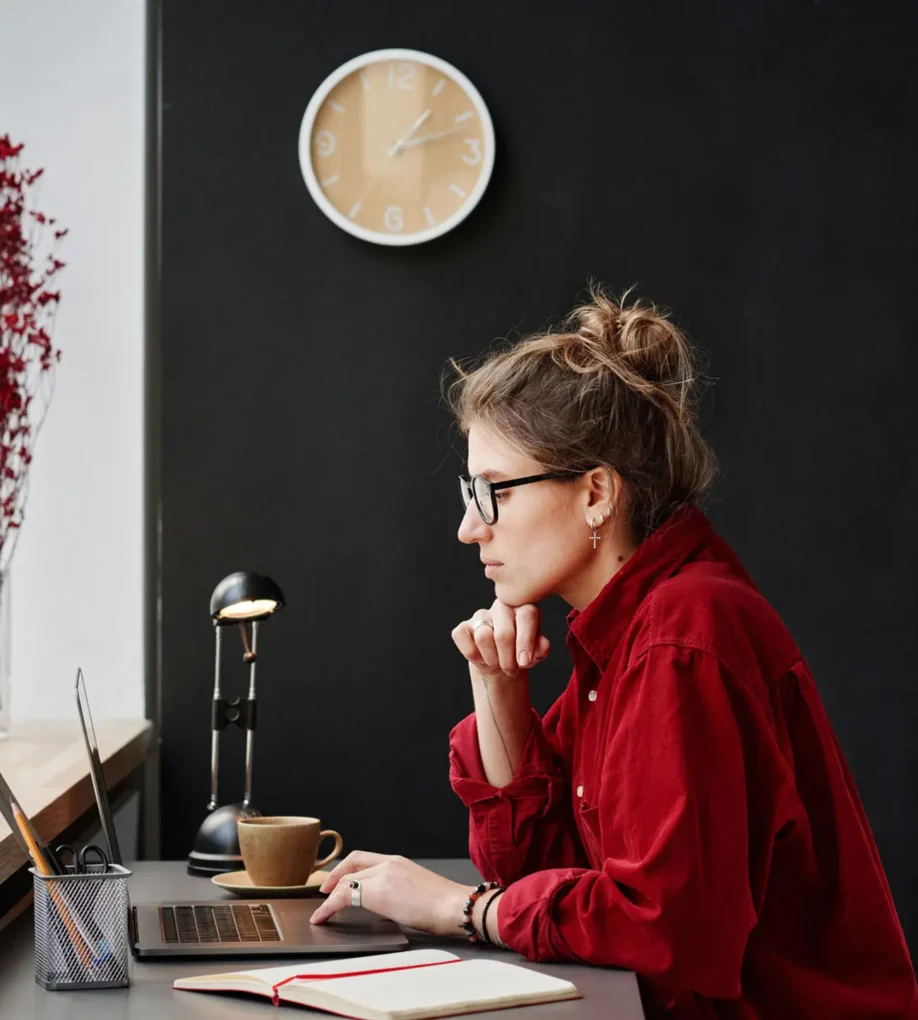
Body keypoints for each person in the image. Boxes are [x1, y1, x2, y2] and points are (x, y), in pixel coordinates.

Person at [309, 286, 916, 1018]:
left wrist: (453, 908)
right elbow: (531, 870)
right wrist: (498, 688)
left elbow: (665, 930)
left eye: (496, 491)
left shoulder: (680, 637)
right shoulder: (627, 630)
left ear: (596, 492)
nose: (471, 527)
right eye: (471, 492)